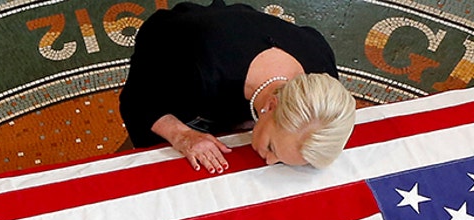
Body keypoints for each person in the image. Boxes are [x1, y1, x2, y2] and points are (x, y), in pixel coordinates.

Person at [119, 0, 356, 172]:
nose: (270, 161)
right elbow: (136, 102)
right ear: (271, 105)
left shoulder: (322, 77)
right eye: (272, 147)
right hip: (172, 51)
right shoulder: (198, 69)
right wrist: (182, 135)